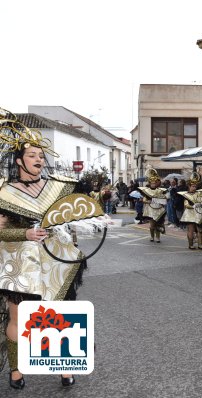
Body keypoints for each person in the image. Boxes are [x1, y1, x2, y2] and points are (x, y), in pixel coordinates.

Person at [0, 110, 99, 388]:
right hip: (19, 262)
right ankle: (17, 370)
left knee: (59, 315)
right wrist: (26, 233)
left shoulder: (59, 188)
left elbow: (75, 219)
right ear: (19, 160)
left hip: (56, 262)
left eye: (41, 156)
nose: (39, 160)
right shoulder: (4, 192)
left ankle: (65, 368)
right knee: (17, 316)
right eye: (32, 155)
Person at [179, 172, 202, 250]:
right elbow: (186, 204)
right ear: (189, 186)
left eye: (195, 186)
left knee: (200, 229)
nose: (194, 187)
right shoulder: (186, 194)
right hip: (190, 213)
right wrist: (193, 206)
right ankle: (191, 245)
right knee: (191, 229)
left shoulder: (200, 193)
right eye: (193, 186)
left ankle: (200, 245)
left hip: (198, 213)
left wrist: (201, 204)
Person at [138, 168, 168, 242]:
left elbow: (165, 199)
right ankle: (152, 237)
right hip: (150, 209)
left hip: (159, 208)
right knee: (152, 225)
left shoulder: (161, 190)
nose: (153, 184)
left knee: (158, 224)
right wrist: (149, 201)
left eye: (155, 182)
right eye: (152, 182)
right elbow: (144, 199)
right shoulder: (147, 190)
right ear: (150, 183)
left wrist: (161, 200)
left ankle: (158, 237)